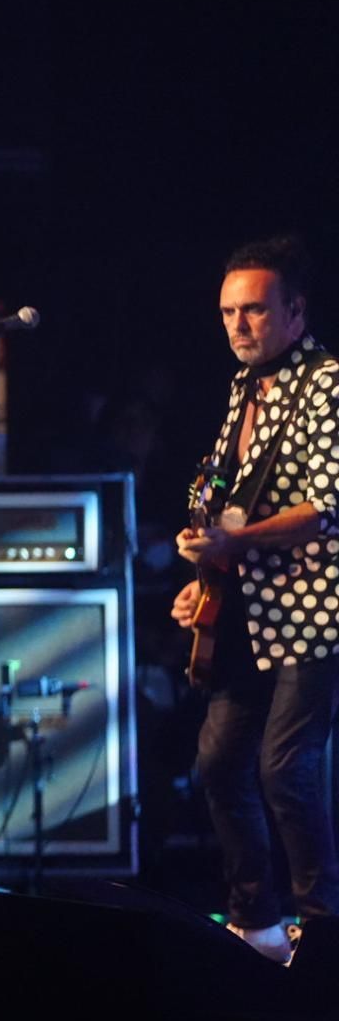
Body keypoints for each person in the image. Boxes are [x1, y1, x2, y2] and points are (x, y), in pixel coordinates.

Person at [171, 235, 339, 964]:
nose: (239, 325)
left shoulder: (327, 381)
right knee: (218, 760)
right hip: (243, 610)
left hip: (311, 611)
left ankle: (324, 930)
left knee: (286, 769)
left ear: (296, 311)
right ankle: (258, 924)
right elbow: (228, 508)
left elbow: (328, 505)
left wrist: (233, 547)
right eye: (228, 312)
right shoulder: (244, 390)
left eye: (256, 311)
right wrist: (201, 573)